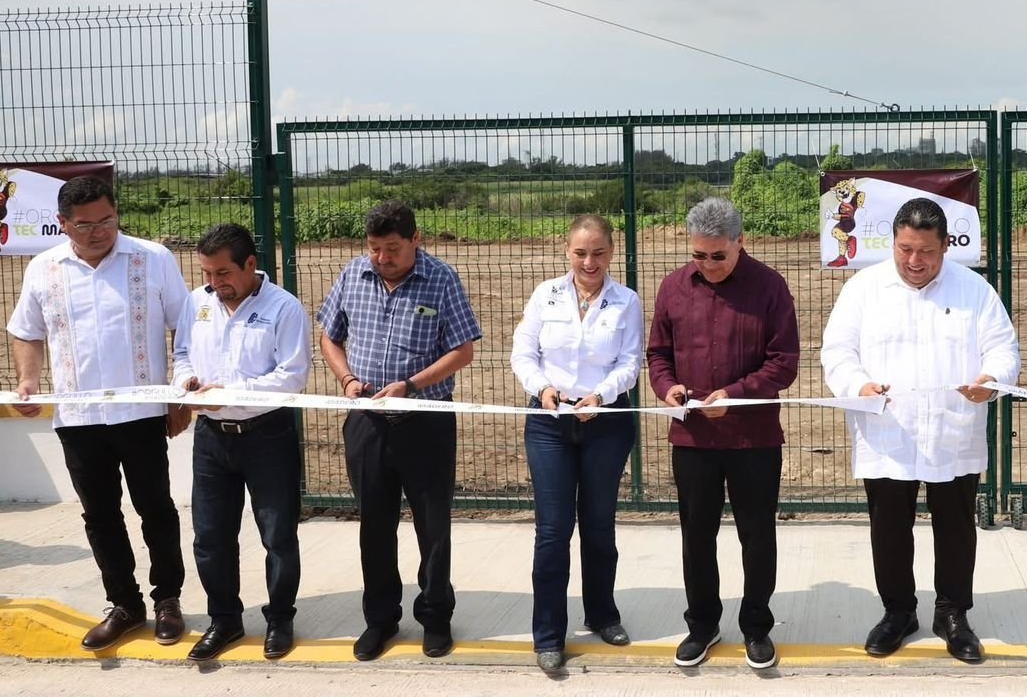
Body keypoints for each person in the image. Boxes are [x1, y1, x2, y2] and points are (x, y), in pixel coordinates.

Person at [821, 197, 1021, 663]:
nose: (914, 261)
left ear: (946, 245)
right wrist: (858, 385)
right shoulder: (864, 289)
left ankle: (952, 614)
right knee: (889, 528)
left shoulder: (974, 290)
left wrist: (991, 380)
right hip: (888, 432)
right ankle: (898, 612)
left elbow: (1003, 351)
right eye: (905, 249)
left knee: (956, 528)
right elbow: (837, 351)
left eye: (926, 251)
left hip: (953, 431)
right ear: (892, 242)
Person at [6, 174, 191, 651]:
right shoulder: (43, 268)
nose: (99, 232)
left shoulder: (153, 259)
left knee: (156, 508)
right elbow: (26, 331)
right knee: (100, 515)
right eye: (85, 225)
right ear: (63, 223)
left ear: (117, 214)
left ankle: (168, 601)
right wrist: (28, 381)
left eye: (107, 221)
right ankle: (125, 605)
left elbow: (186, 327)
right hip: (78, 418)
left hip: (141, 412)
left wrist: (180, 394)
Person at [316, 200, 482, 661]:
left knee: (433, 526)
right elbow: (329, 335)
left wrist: (411, 386)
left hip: (425, 421)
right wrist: (347, 379)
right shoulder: (354, 275)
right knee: (374, 524)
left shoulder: (441, 279)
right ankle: (380, 620)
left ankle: (435, 617)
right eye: (374, 248)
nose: (382, 258)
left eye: (392, 248)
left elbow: (463, 350)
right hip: (366, 421)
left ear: (415, 240)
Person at [647, 197, 800, 670]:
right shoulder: (673, 287)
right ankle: (702, 625)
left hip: (754, 439)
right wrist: (668, 388)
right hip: (693, 440)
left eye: (718, 255)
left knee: (757, 534)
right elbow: (658, 354)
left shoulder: (770, 287)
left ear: (740, 242)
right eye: (699, 255)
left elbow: (784, 362)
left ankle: (756, 626)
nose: (708, 265)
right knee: (696, 535)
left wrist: (734, 394)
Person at [510, 214, 644, 672]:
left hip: (606, 423)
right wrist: (543, 388)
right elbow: (523, 353)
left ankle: (603, 614)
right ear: (567, 250)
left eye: (599, 253)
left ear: (612, 252)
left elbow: (630, 363)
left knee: (599, 524)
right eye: (581, 252)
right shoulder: (544, 294)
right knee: (552, 530)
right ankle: (548, 634)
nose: (590, 262)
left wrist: (600, 396)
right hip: (549, 423)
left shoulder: (626, 301)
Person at [172, 223, 311, 661]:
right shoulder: (196, 303)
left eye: (223, 273)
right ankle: (225, 620)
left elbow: (291, 377)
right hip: (211, 439)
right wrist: (186, 382)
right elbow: (181, 353)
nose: (214, 283)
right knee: (210, 536)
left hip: (267, 436)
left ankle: (280, 619)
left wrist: (230, 393)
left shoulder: (284, 308)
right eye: (207, 273)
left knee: (278, 535)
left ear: (251, 264)